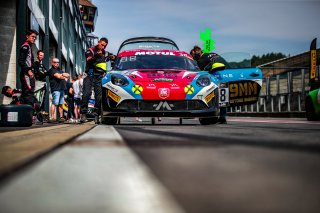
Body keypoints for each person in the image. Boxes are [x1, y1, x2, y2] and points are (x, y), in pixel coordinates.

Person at [80, 37, 115, 123]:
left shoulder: (105, 53)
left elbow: (114, 57)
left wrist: (114, 57)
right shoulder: (91, 50)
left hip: (99, 77)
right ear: (98, 42)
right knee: (86, 94)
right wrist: (97, 56)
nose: (103, 47)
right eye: (102, 45)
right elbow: (88, 60)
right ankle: (83, 114)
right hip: (89, 75)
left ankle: (96, 115)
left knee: (99, 97)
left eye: (105, 46)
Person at [192, 46, 227, 124]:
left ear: (198, 51)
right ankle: (221, 117)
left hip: (218, 76)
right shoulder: (208, 55)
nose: (194, 57)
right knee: (222, 96)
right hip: (220, 75)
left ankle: (222, 117)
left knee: (221, 96)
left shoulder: (202, 60)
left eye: (194, 55)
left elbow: (198, 72)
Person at [18, 29, 39, 108]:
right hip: (26, 74)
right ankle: (30, 116)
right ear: (27, 36)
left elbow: (29, 61)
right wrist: (29, 70)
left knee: (26, 94)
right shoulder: (25, 46)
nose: (34, 38)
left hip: (29, 73)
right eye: (32, 36)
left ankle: (24, 115)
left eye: (35, 37)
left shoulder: (29, 47)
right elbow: (21, 61)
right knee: (29, 93)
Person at [48, 58, 69, 122]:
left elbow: (67, 76)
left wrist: (63, 75)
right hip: (56, 89)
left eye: (58, 62)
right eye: (55, 62)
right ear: (52, 63)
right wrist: (63, 75)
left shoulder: (60, 70)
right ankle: (52, 117)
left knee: (61, 104)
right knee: (54, 103)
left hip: (62, 89)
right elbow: (58, 76)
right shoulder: (51, 70)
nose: (57, 63)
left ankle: (61, 117)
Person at [33, 50, 48, 115]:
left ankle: (39, 114)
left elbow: (46, 72)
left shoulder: (42, 65)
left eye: (43, 55)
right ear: (37, 55)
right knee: (37, 99)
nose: (42, 57)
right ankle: (35, 114)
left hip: (43, 84)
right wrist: (43, 73)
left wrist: (43, 73)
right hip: (38, 84)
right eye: (40, 55)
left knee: (42, 100)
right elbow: (37, 73)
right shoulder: (35, 64)